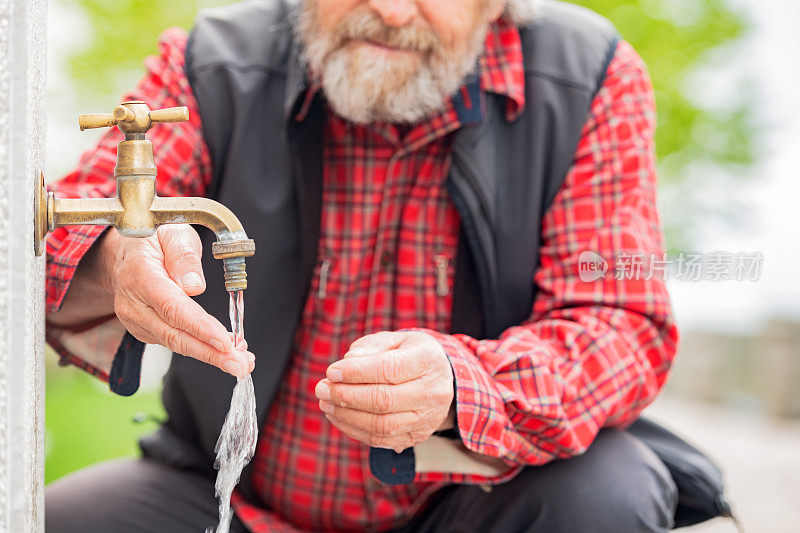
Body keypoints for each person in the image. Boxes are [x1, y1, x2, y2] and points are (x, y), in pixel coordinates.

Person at [44, 0, 681, 531]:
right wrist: (116, 259)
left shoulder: (588, 76)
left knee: (606, 497)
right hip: (227, 496)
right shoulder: (211, 62)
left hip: (477, 501)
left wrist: (464, 385)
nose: (391, 10)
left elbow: (620, 324)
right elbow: (65, 236)